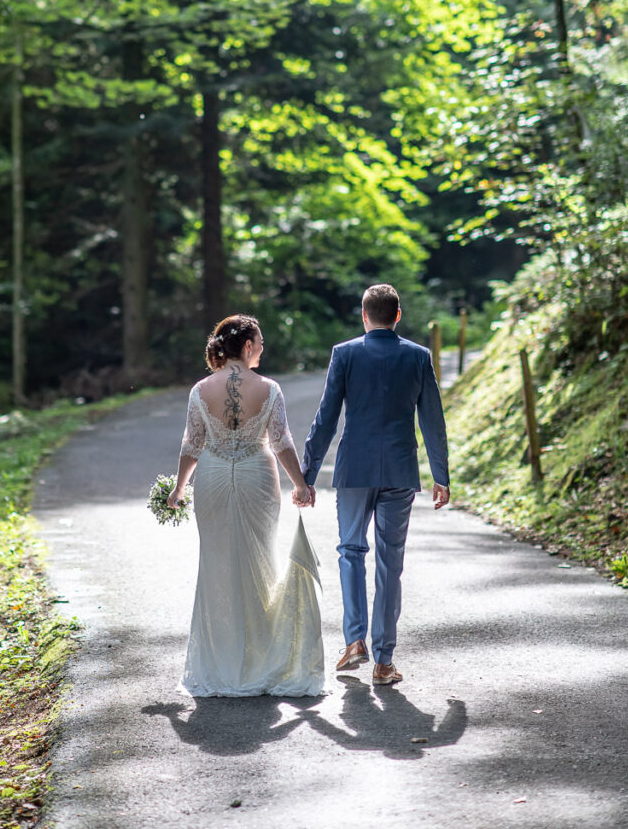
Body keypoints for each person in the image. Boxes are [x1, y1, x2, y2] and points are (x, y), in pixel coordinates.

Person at [167, 314, 324, 697]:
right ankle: (261, 658)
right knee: (260, 562)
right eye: (261, 342)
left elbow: (192, 445)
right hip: (256, 476)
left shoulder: (200, 389)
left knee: (218, 565)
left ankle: (222, 663)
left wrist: (178, 489)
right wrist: (300, 484)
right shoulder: (269, 389)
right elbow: (282, 442)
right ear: (249, 346)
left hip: (213, 480)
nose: (263, 349)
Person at [302, 284, 450, 686]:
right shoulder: (418, 357)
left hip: (354, 471)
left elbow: (326, 419)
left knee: (351, 551)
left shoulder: (345, 354)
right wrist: (441, 475)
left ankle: (355, 641)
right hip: (400, 472)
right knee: (390, 563)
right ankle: (384, 662)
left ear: (364, 316)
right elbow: (432, 420)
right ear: (397, 315)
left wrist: (307, 475)